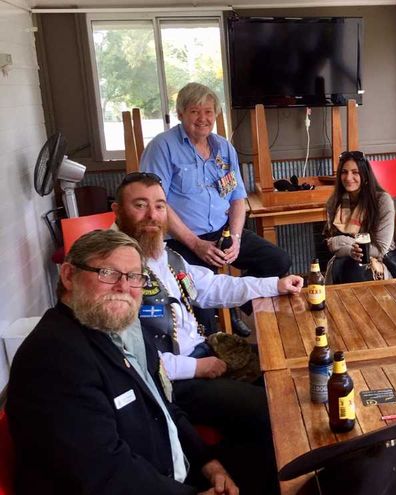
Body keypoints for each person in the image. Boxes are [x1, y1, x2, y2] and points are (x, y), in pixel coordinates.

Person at [112, 171, 304, 494]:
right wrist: (198, 367)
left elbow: (214, 286)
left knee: (286, 383)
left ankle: (252, 472)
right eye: (140, 206)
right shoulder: (118, 274)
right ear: (117, 211)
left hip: (207, 356)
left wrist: (275, 284)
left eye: (159, 206)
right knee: (274, 408)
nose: (152, 216)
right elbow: (129, 360)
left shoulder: (167, 257)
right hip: (176, 384)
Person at [6, 229, 238, 494]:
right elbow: (103, 472)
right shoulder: (54, 358)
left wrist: (208, 463)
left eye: (134, 277)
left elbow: (163, 407)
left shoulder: (122, 330)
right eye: (108, 273)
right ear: (69, 276)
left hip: (167, 475)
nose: (124, 287)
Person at [140, 82, 292, 334]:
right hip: (180, 240)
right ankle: (213, 343)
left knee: (277, 260)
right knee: (199, 312)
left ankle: (236, 304)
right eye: (194, 111)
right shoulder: (162, 147)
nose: (203, 118)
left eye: (209, 111)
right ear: (180, 114)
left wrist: (236, 238)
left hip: (222, 233)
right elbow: (157, 205)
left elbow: (237, 198)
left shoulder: (224, 147)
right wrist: (195, 244)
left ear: (216, 114)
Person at [323, 151, 396, 283]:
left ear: (365, 175)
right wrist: (350, 251)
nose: (348, 177)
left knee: (353, 268)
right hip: (346, 259)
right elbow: (331, 246)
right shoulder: (333, 203)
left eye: (355, 172)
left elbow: (380, 250)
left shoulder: (382, 201)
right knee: (342, 266)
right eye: (344, 172)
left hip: (383, 259)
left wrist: (342, 242)